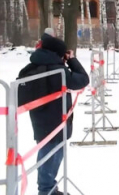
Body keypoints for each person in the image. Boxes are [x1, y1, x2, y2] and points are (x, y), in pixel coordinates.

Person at [17, 35, 89, 195]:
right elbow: (83, 79)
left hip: (41, 121)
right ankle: (46, 190)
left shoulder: (31, 67)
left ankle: (48, 188)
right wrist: (72, 60)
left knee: (48, 156)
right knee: (51, 158)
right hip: (57, 122)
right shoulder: (58, 70)